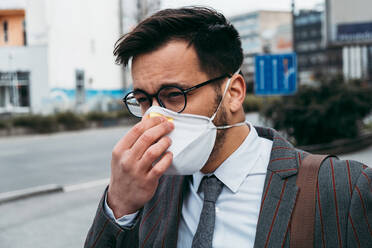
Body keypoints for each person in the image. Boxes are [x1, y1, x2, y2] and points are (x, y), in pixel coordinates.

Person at [85, 7, 371, 248]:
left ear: (233, 92)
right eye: (143, 100)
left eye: (174, 95)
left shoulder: (343, 188)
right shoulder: (147, 188)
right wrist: (119, 206)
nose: (155, 117)